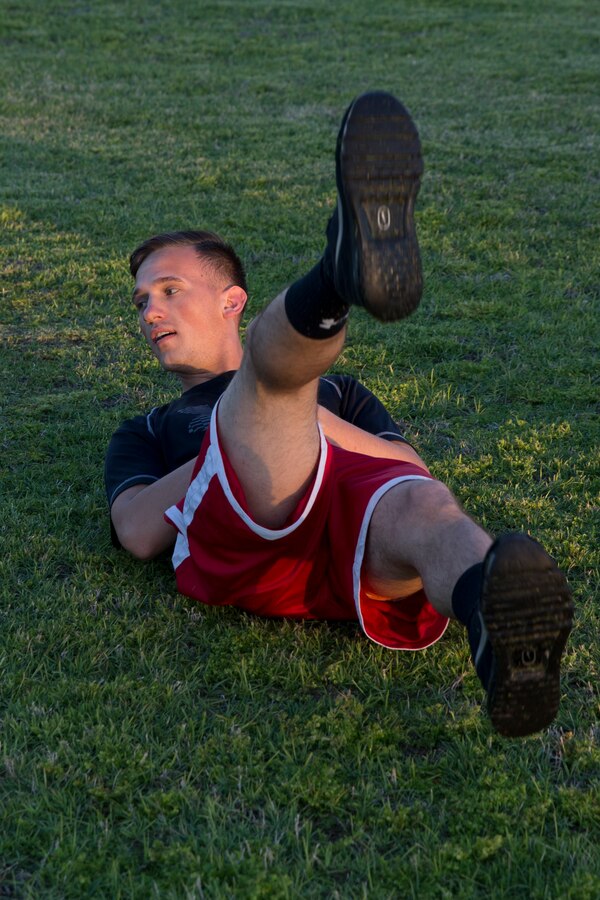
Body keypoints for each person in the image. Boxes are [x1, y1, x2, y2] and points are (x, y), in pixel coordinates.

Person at [105, 91, 573, 738]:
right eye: (141, 302)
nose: (149, 312)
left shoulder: (343, 392)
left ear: (232, 301)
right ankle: (336, 276)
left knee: (425, 507)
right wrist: (240, 433)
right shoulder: (149, 429)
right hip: (245, 543)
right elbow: (136, 531)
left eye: (170, 291)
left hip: (349, 545)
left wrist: (310, 423)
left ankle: (495, 623)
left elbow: (409, 468)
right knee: (271, 384)